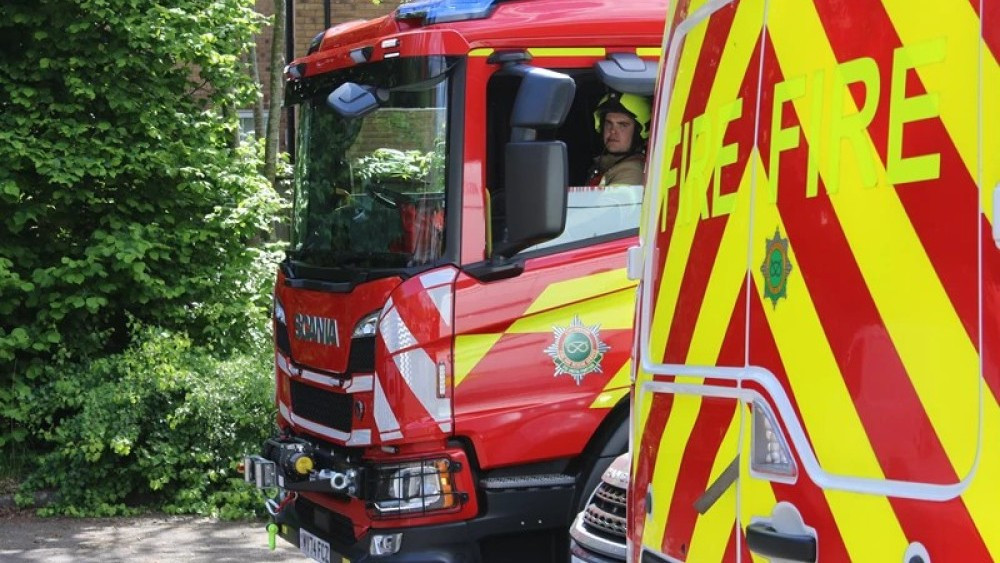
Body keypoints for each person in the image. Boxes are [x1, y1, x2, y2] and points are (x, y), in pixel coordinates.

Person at [586, 91, 652, 186]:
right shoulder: (609, 165)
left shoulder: (631, 173)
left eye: (623, 125)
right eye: (608, 123)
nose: (612, 131)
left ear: (638, 133)